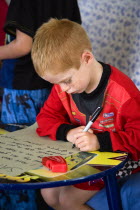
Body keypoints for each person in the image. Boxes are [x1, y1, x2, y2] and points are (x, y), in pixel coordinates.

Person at [31, 18, 140, 210]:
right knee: (47, 192)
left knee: (67, 201)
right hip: (87, 158)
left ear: (87, 58)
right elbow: (45, 119)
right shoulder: (64, 89)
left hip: (120, 160)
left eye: (67, 80)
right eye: (57, 83)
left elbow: (138, 137)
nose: (63, 89)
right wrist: (68, 132)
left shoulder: (123, 93)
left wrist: (100, 142)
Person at [0, 1, 81, 210]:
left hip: (22, 90)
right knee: (47, 153)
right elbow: (72, 35)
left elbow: (23, 46)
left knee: (16, 162)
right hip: (56, 85)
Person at [0, 0, 81, 125]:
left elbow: (22, 46)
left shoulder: (22, 2)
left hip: (22, 86)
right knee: (46, 132)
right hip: (57, 83)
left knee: (19, 137)